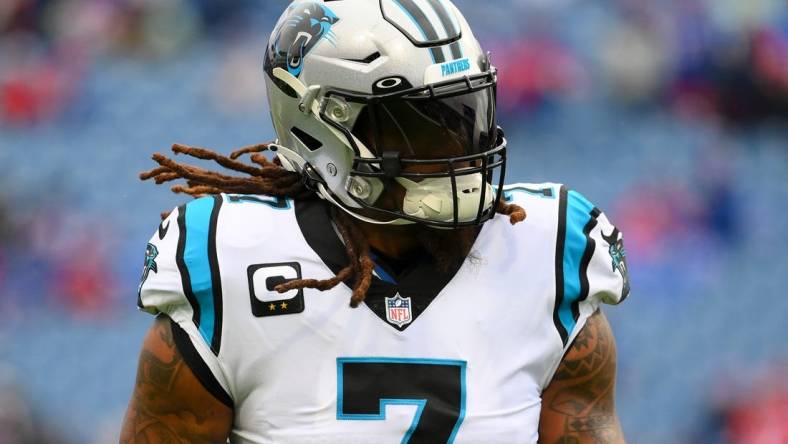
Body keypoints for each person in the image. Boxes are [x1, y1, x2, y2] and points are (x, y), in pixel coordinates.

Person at [121, 0, 630, 442]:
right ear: (321, 126)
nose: (458, 149)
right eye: (418, 125)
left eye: (465, 115)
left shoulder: (545, 249)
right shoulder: (231, 261)